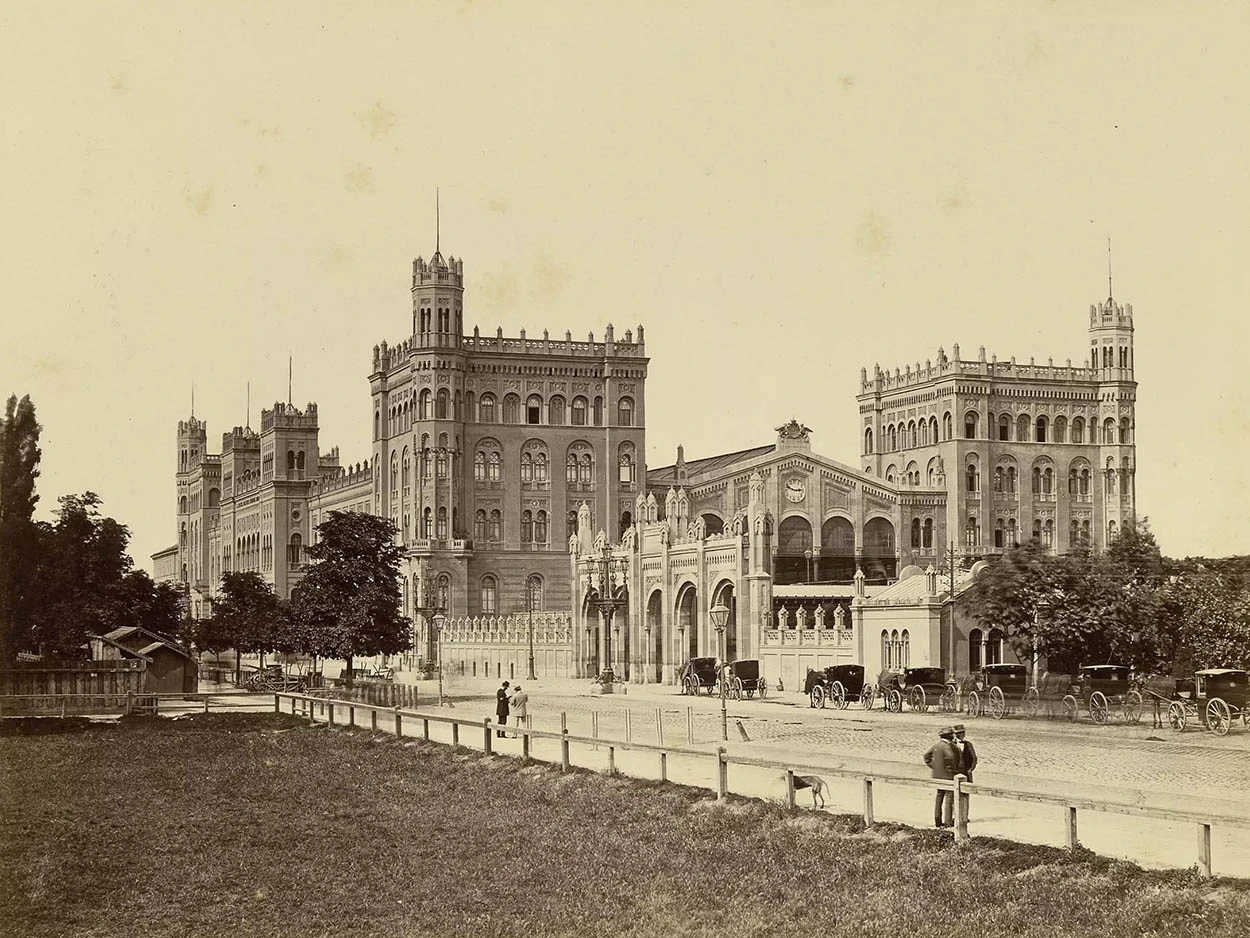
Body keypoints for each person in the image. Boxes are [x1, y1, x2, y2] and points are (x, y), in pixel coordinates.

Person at [923, 726, 959, 828]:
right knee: (949, 798)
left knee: (939, 797)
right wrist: (952, 769)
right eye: (952, 734)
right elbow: (952, 758)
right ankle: (948, 822)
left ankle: (937, 821)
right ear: (949, 736)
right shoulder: (948, 746)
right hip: (948, 776)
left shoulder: (936, 745)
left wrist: (934, 767)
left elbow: (926, 757)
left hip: (937, 776)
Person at [953, 723, 977, 821]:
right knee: (953, 796)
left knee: (966, 796)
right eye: (960, 733)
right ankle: (955, 817)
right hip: (954, 774)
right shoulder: (951, 744)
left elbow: (974, 758)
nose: (962, 735)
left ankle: (965, 817)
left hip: (966, 773)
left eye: (963, 733)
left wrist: (971, 769)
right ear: (956, 734)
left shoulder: (968, 744)